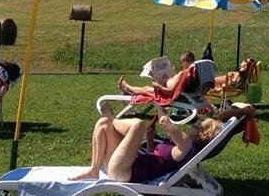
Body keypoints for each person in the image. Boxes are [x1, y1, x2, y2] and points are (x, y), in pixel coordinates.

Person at [68, 103, 256, 182]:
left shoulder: (187, 145)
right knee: (103, 125)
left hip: (126, 171)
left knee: (137, 125)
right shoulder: (183, 145)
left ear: (201, 133)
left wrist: (158, 104)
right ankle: (93, 169)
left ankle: (111, 116)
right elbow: (157, 160)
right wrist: (150, 139)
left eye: (197, 125)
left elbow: (166, 122)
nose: (193, 125)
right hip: (126, 166)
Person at [118, 51, 199, 99]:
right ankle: (127, 89)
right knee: (146, 88)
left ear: (185, 61)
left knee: (145, 89)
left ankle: (126, 87)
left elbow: (170, 92)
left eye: (181, 61)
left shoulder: (184, 73)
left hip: (170, 96)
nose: (181, 64)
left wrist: (157, 85)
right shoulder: (192, 72)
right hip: (181, 94)